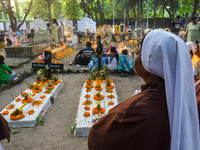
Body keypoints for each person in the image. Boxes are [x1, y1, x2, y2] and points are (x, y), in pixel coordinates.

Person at [88, 30, 200, 150]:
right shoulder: (187, 100)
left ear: (150, 65)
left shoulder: (132, 114)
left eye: (139, 53)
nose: (135, 56)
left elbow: (97, 137)